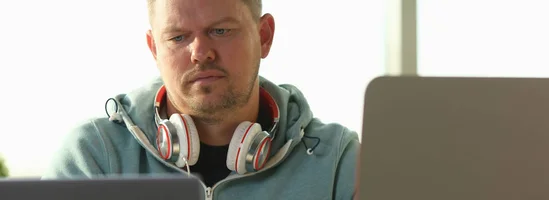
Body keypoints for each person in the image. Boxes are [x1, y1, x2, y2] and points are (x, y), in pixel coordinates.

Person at [42, 0, 361, 199]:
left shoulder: (338, 162)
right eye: (178, 37)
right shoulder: (93, 157)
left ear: (263, 36)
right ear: (155, 49)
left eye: (220, 30)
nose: (200, 53)